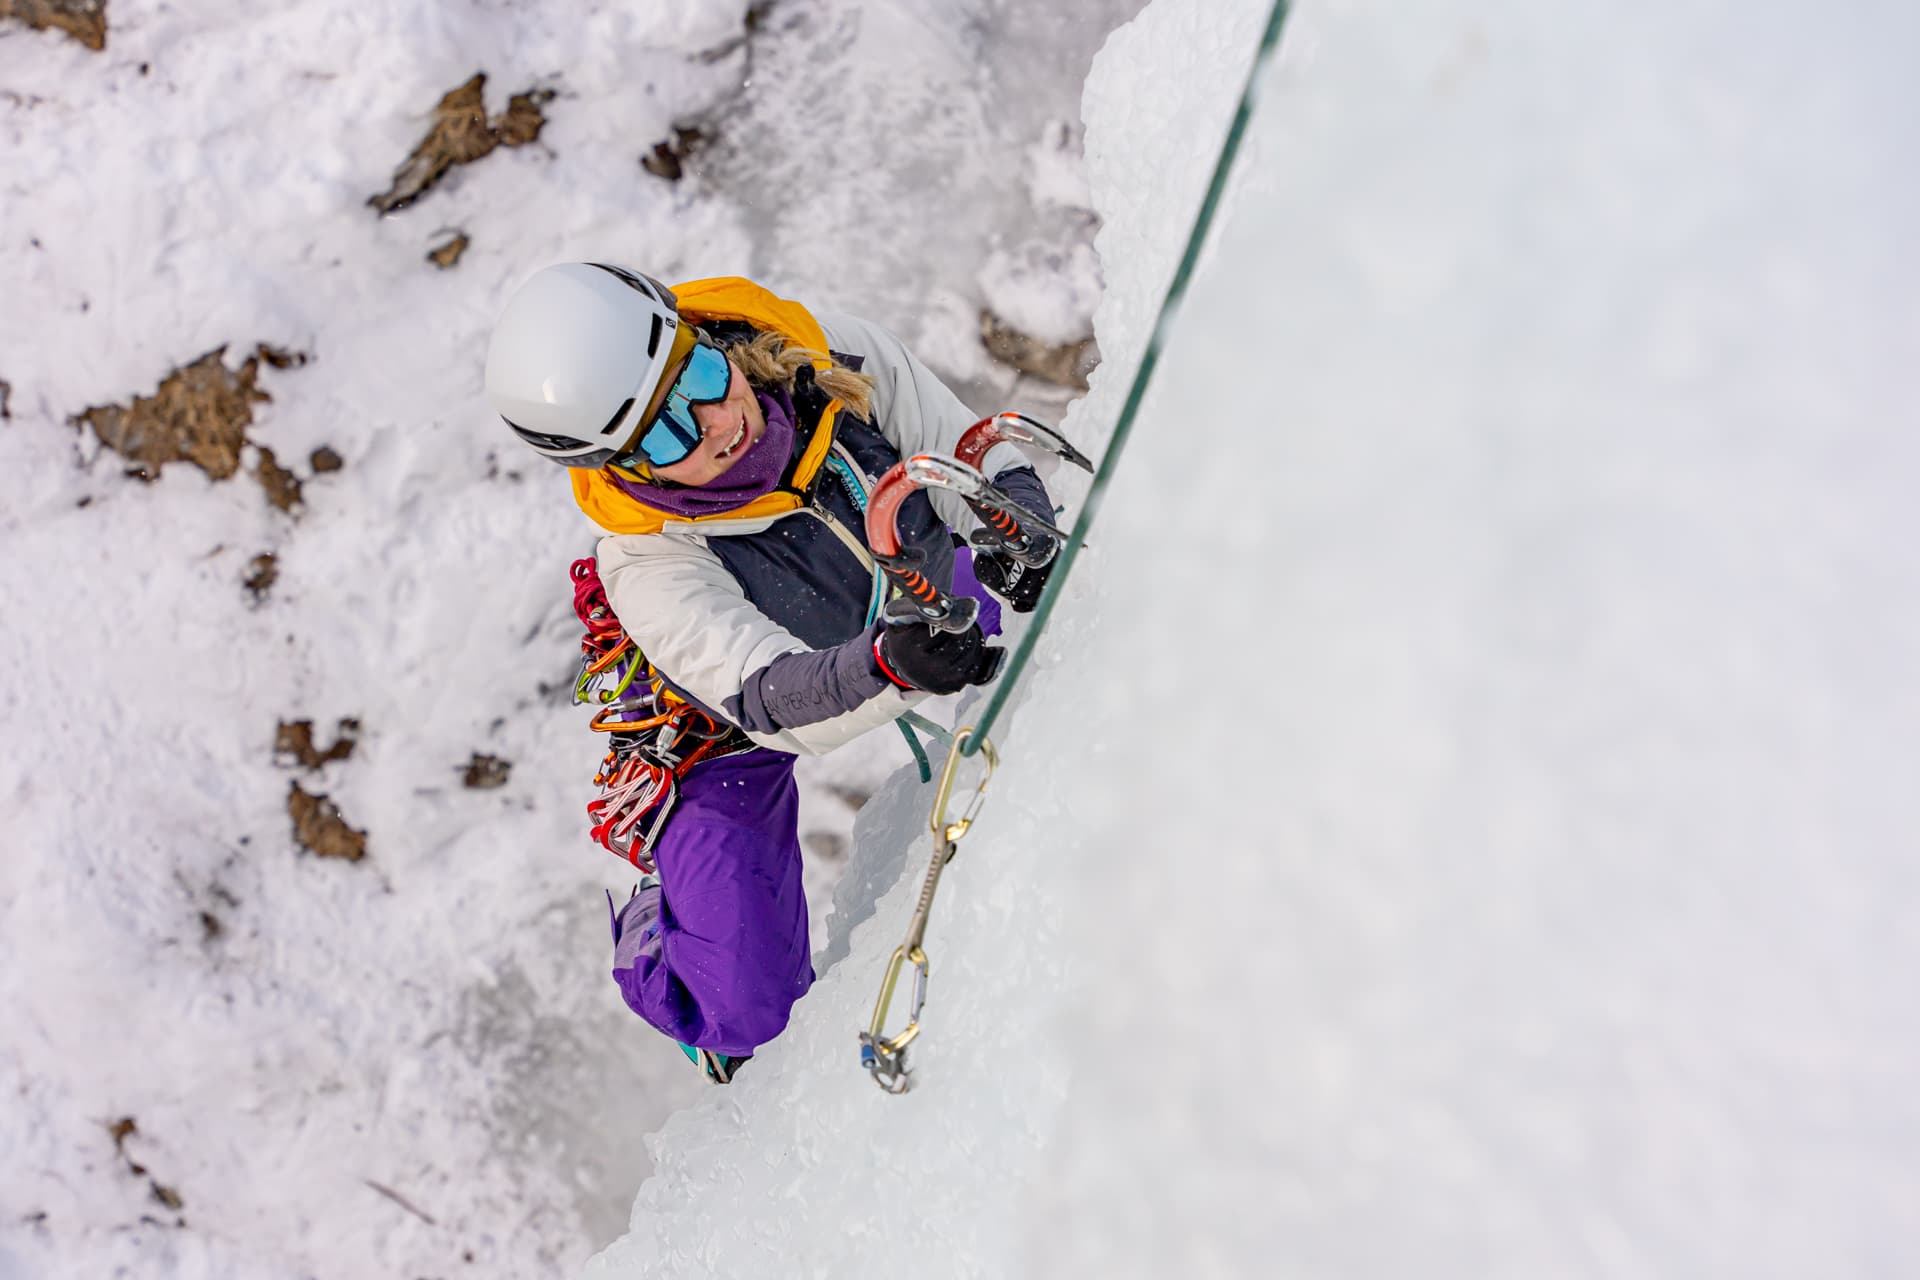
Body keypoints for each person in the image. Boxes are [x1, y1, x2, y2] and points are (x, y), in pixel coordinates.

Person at [483, 265, 1058, 1079]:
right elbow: (766, 695)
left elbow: (959, 448)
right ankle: (665, 939)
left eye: (699, 376)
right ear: (626, 468)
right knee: (741, 1001)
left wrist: (1017, 519)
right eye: (665, 436)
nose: (718, 423)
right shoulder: (647, 562)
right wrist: (889, 666)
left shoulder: (825, 357)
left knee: (1039, 610)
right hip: (719, 717)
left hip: (903, 581)